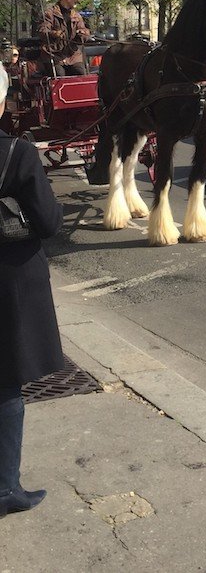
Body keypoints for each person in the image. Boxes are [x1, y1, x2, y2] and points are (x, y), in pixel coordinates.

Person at [0, 64, 63, 518]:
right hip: (9, 284)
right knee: (5, 385)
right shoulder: (18, 154)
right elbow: (47, 223)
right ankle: (6, 489)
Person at [38, 0, 90, 76]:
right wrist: (54, 33)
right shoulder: (49, 14)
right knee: (60, 75)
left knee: (81, 73)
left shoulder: (77, 16)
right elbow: (42, 31)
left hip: (74, 56)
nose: (78, 0)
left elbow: (84, 31)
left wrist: (83, 33)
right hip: (54, 55)